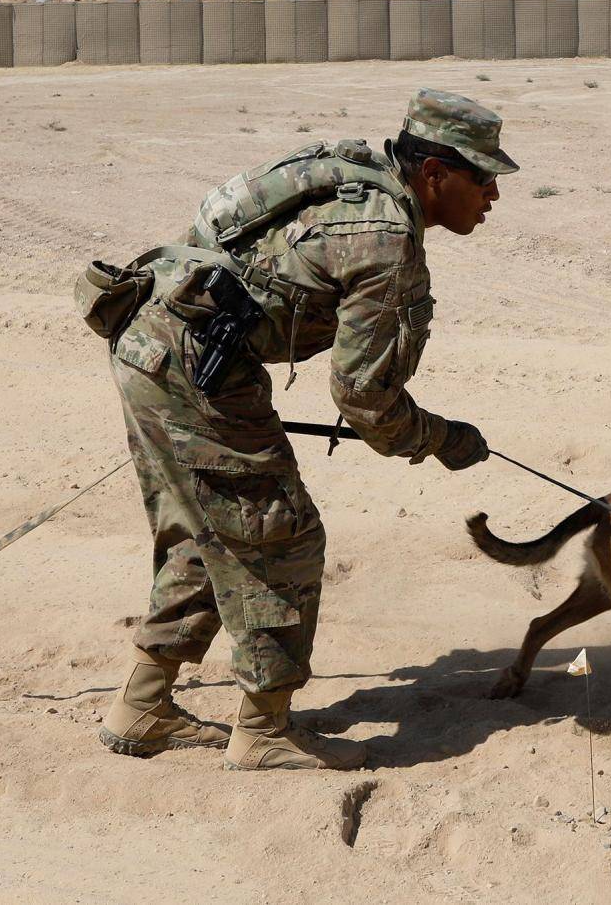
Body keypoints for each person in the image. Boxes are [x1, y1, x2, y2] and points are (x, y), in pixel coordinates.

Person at [96, 89, 516, 770]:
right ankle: (263, 733)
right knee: (277, 535)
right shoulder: (387, 242)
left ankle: (141, 708)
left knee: (211, 530)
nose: (494, 194)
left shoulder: (350, 177)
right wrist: (443, 439)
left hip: (154, 341)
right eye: (483, 176)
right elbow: (366, 401)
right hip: (197, 368)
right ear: (435, 174)